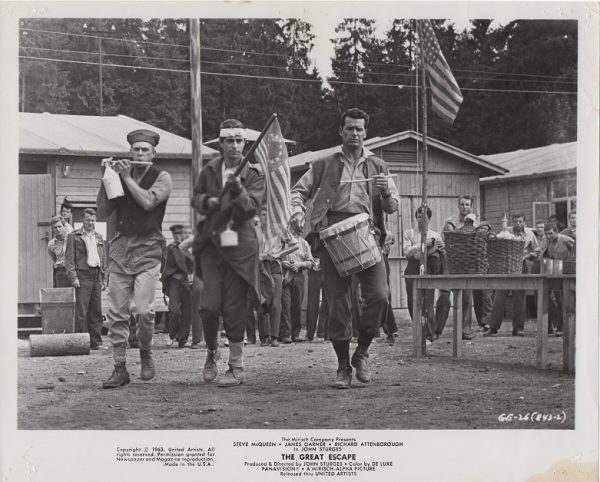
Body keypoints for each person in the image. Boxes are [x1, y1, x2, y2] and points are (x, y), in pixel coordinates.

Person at [291, 107, 399, 389]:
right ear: (340, 131)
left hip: (367, 233)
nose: (354, 133)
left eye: (359, 129)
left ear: (366, 133)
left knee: (379, 296)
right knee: (337, 303)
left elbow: (392, 207)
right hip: (331, 234)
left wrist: (386, 190)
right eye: (349, 128)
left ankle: (361, 352)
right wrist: (297, 212)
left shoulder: (379, 167)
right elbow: (298, 191)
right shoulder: (324, 163)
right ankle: (342, 366)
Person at [191, 118, 264, 387]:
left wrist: (237, 188)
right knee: (208, 306)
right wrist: (207, 201)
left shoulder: (254, 173)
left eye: (239, 140)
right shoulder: (209, 169)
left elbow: (250, 210)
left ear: (244, 143)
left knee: (234, 307)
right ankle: (212, 351)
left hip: (240, 247)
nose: (234, 145)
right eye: (229, 140)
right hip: (212, 245)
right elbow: (196, 197)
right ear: (220, 143)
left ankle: (236, 367)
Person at [97, 129, 172, 388]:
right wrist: (106, 177)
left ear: (153, 153)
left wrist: (126, 177)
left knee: (144, 310)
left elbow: (148, 203)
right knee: (116, 312)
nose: (140, 153)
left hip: (149, 247)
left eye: (144, 150)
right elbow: (103, 211)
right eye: (136, 149)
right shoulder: (119, 175)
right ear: (130, 152)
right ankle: (119, 368)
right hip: (120, 247)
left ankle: (146, 352)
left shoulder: (162, 177)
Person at [485, 214, 540, 337]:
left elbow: (537, 250)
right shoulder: (506, 231)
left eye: (520, 221)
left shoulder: (530, 235)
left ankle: (518, 328)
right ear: (512, 222)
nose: (518, 224)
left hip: (521, 267)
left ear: (524, 222)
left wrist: (526, 256)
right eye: (515, 221)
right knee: (499, 297)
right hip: (505, 267)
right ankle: (493, 327)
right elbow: (498, 243)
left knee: (520, 299)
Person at [64, 208, 107, 349]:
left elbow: (104, 258)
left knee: (96, 310)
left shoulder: (99, 237)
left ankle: (96, 342)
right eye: (88, 220)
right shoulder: (74, 236)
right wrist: (73, 277)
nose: (90, 222)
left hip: (97, 275)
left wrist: (104, 277)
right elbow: (69, 260)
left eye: (93, 220)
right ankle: (82, 343)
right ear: (83, 220)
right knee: (82, 310)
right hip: (82, 275)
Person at [436, 194, 478, 340]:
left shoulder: (474, 224)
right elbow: (441, 240)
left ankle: (465, 330)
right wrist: (443, 248)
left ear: (471, 206)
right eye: (462, 204)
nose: (464, 207)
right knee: (444, 295)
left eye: (467, 205)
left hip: (466, 264)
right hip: (450, 262)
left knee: (466, 298)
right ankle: (437, 330)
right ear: (458, 205)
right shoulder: (449, 222)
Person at [403, 206, 445, 347]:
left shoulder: (435, 235)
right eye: (420, 217)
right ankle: (418, 333)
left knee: (428, 303)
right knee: (412, 303)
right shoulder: (409, 234)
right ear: (416, 218)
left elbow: (441, 252)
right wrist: (422, 245)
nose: (422, 220)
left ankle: (429, 335)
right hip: (412, 270)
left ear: (430, 219)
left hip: (429, 271)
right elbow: (407, 252)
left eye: (425, 217)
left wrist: (437, 247)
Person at [279, 214, 315, 344]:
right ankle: (285, 334)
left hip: (298, 276)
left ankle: (295, 334)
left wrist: (299, 264)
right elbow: (274, 257)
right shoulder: (281, 242)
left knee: (296, 306)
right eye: (294, 226)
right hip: (284, 276)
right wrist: (283, 263)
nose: (296, 229)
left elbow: (311, 263)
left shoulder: (304, 243)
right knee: (285, 305)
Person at [162, 224, 197, 348]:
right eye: (175, 234)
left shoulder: (188, 248)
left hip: (188, 283)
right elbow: (176, 265)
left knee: (187, 313)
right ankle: (172, 335)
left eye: (180, 234)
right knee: (175, 311)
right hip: (175, 283)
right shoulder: (171, 248)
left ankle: (183, 339)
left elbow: (193, 263)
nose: (178, 237)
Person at [256, 207, 284, 347]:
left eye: (268, 215)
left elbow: (291, 246)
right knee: (263, 301)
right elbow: (250, 248)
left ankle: (274, 336)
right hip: (260, 267)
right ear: (259, 216)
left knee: (276, 302)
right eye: (262, 215)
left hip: (274, 266)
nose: (265, 218)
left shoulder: (278, 230)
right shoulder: (255, 230)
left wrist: (279, 255)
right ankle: (264, 336)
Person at [543, 221, 575, 335]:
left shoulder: (565, 239)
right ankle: (550, 327)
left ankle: (563, 327)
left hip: (566, 272)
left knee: (563, 300)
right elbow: (543, 254)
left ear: (556, 232)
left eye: (550, 233)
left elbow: (578, 246)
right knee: (548, 297)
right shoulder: (547, 241)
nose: (548, 236)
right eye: (546, 234)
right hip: (553, 272)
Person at [472, 221, 494, 330]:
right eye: (481, 228)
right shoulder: (473, 243)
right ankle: (480, 322)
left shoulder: (491, 242)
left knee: (487, 296)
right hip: (475, 271)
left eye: (486, 229)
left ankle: (487, 322)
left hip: (487, 271)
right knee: (477, 296)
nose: (483, 231)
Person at [380, 230, 398, 343]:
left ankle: (390, 330)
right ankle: (390, 330)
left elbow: (392, 238)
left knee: (384, 295)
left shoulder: (386, 233)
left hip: (380, 260)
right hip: (379, 260)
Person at [47, 215, 70, 288]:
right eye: (55, 227)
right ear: (52, 229)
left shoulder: (72, 239)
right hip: (61, 271)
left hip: (74, 271)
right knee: (62, 295)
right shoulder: (51, 244)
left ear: (64, 227)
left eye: (59, 226)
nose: (57, 229)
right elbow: (54, 259)